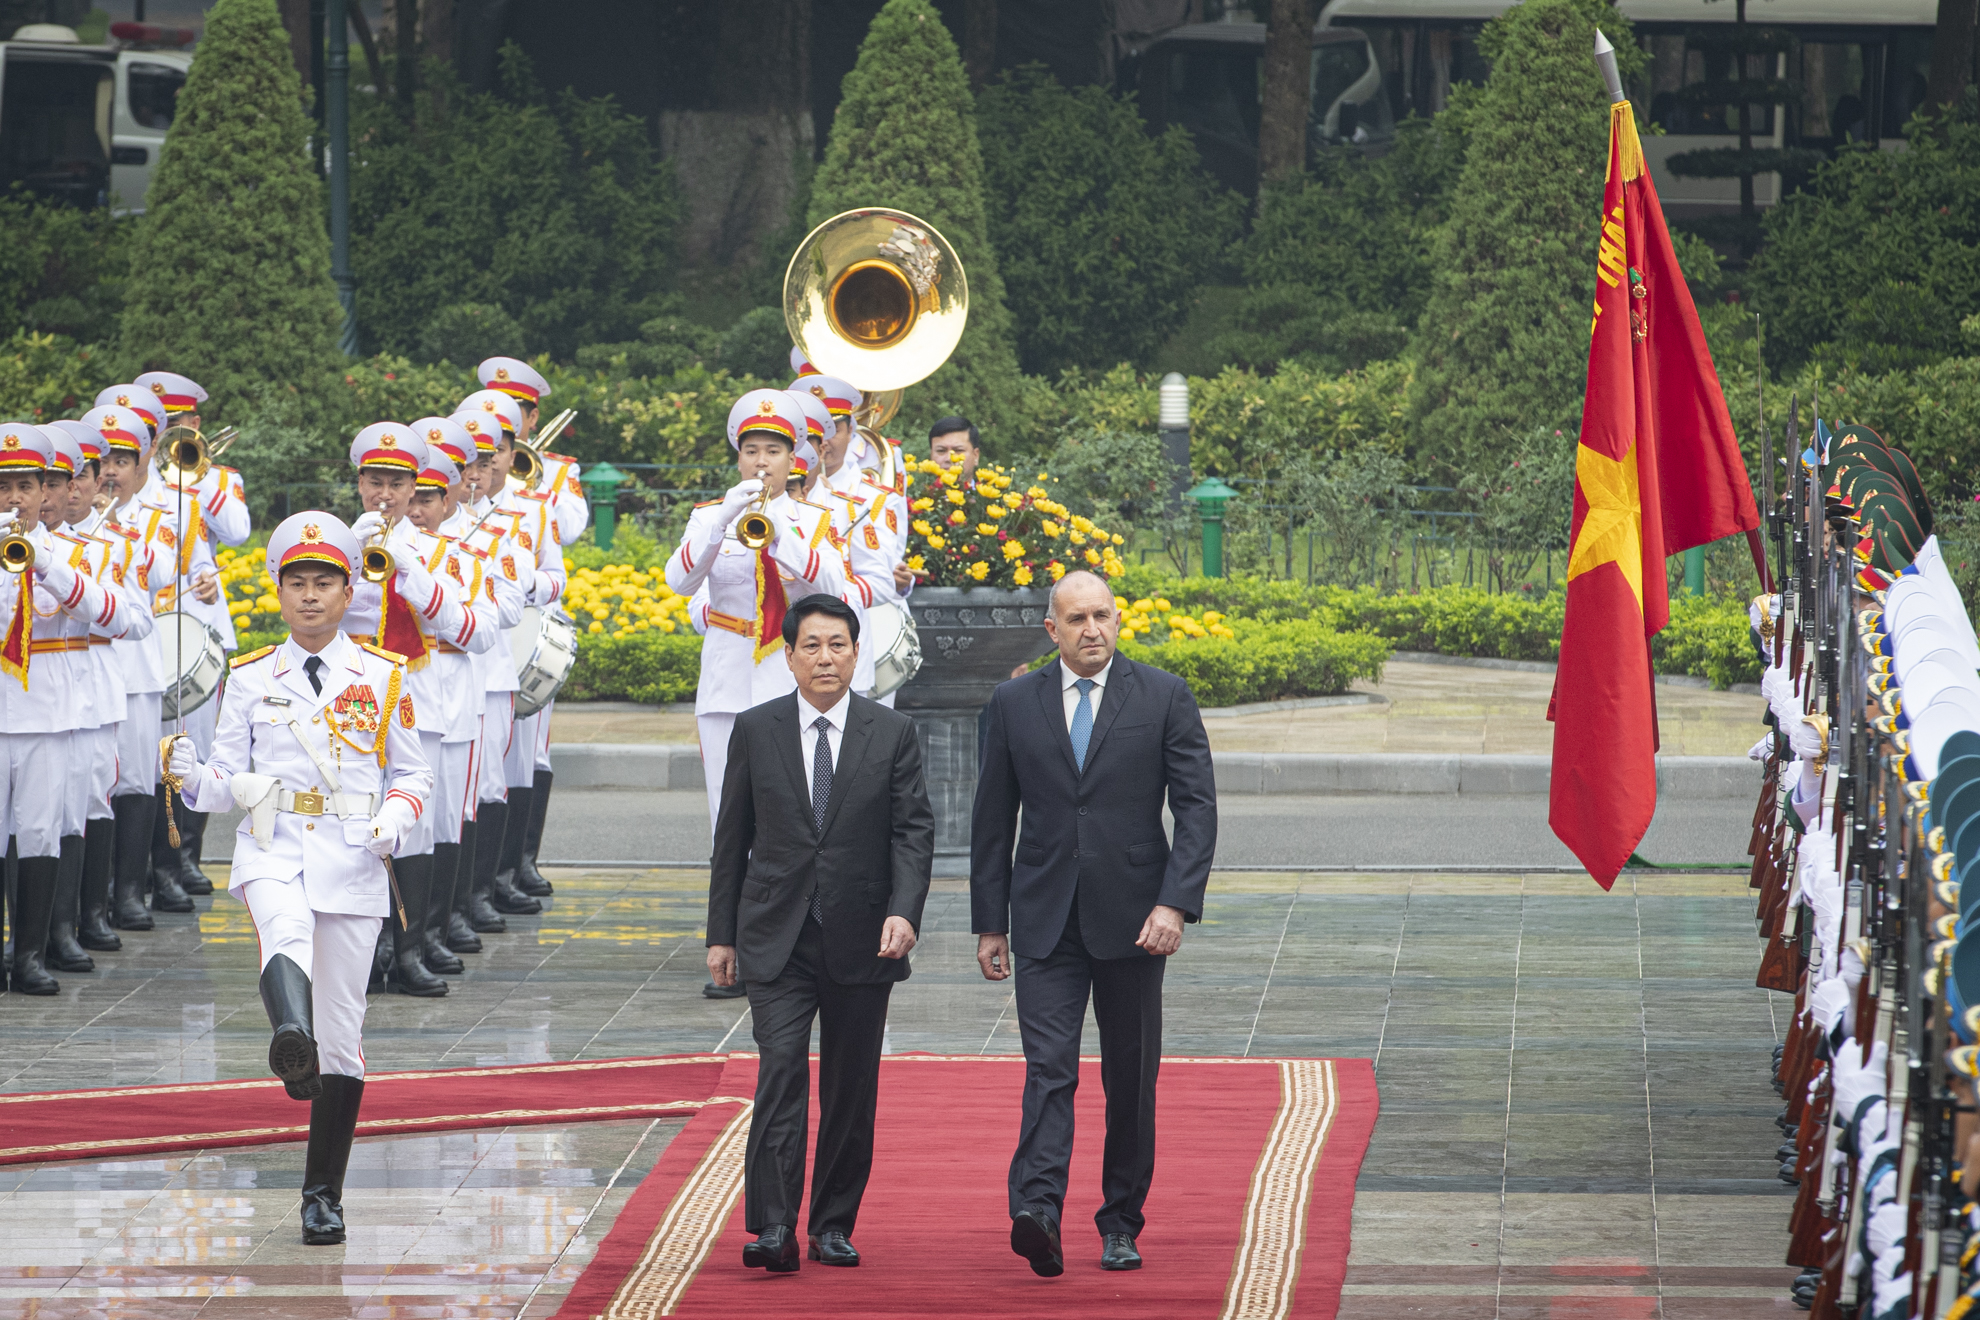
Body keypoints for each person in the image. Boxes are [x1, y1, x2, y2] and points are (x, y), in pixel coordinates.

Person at [166, 512, 431, 1245]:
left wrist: (395, 821)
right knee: (282, 931)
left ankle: (323, 1195)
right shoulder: (249, 677)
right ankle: (290, 1032)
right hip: (272, 845)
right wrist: (190, 779)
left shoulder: (383, 676)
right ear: (279, 593)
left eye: (324, 583)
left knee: (343, 1035)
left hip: (351, 855)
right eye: (296, 583)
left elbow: (413, 774)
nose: (309, 596)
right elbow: (224, 782)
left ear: (349, 593)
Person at [970, 569, 1217, 1276]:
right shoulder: (1015, 702)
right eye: (1076, 619)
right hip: (1044, 919)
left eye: (1102, 616)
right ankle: (1037, 1212)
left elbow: (1196, 808)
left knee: (1129, 1078)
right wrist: (991, 923)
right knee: (1048, 1070)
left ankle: (1120, 1221)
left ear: (1119, 619)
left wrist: (1174, 903)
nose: (1092, 630)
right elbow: (992, 820)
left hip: (1137, 920)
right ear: (1053, 630)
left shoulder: (1163, 695)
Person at [706, 593, 934, 1272]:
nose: (825, 658)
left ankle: (832, 1224)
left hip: (864, 935)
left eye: (838, 645)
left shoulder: (890, 734)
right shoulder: (755, 728)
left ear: (857, 654)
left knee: (849, 1085)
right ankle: (772, 1227)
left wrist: (905, 910)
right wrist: (721, 935)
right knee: (779, 1073)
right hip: (775, 935)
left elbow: (913, 832)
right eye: (812, 645)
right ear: (790, 655)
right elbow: (732, 839)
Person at [342, 423, 497, 995]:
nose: (384, 495)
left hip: (417, 703)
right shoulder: (337, 541)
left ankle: (406, 950)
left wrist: (408, 567)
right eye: (374, 482)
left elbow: (475, 631)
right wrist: (350, 560)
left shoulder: (444, 553)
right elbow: (306, 608)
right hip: (352, 702)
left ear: (415, 491)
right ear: (359, 484)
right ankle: (363, 950)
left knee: (416, 830)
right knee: (354, 821)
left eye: (396, 485)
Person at [0, 423, 117, 994]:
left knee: (41, 833)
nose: (16, 499)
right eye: (4, 488)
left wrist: (47, 565)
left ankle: (29, 954)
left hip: (48, 714)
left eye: (25, 485)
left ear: (46, 489)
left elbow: (126, 619)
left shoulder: (74, 552)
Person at [84, 403, 173, 930]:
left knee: (138, 779)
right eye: (104, 459)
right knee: (94, 782)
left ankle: (130, 891)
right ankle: (93, 898)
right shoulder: (70, 520)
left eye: (123, 459)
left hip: (135, 670)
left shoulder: (154, 519)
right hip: (88, 668)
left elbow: (160, 570)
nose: (113, 470)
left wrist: (113, 523)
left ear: (143, 466)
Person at [927, 416, 981, 481]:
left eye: (958, 450)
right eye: (941, 451)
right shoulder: (915, 491)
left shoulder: (994, 490)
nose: (949, 458)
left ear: (976, 456)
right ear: (931, 456)